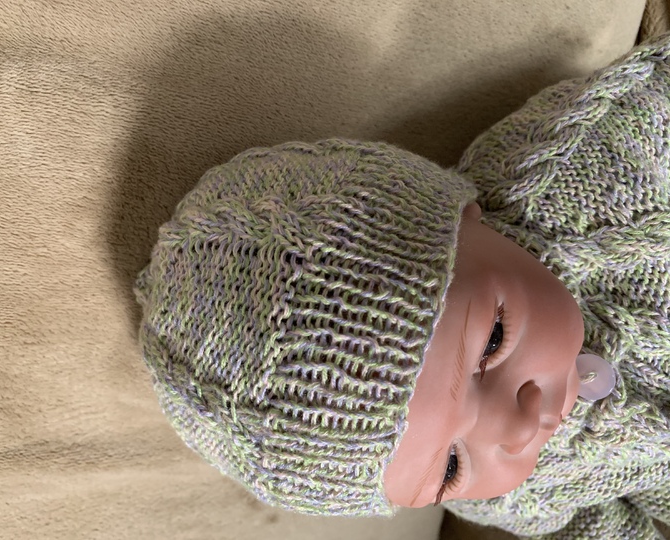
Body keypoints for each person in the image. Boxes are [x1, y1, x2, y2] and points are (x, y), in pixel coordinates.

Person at [133, 32, 670, 539]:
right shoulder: (503, 495)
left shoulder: (569, 170)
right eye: (451, 467)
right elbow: (585, 522)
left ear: (464, 216)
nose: (519, 428)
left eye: (492, 342)